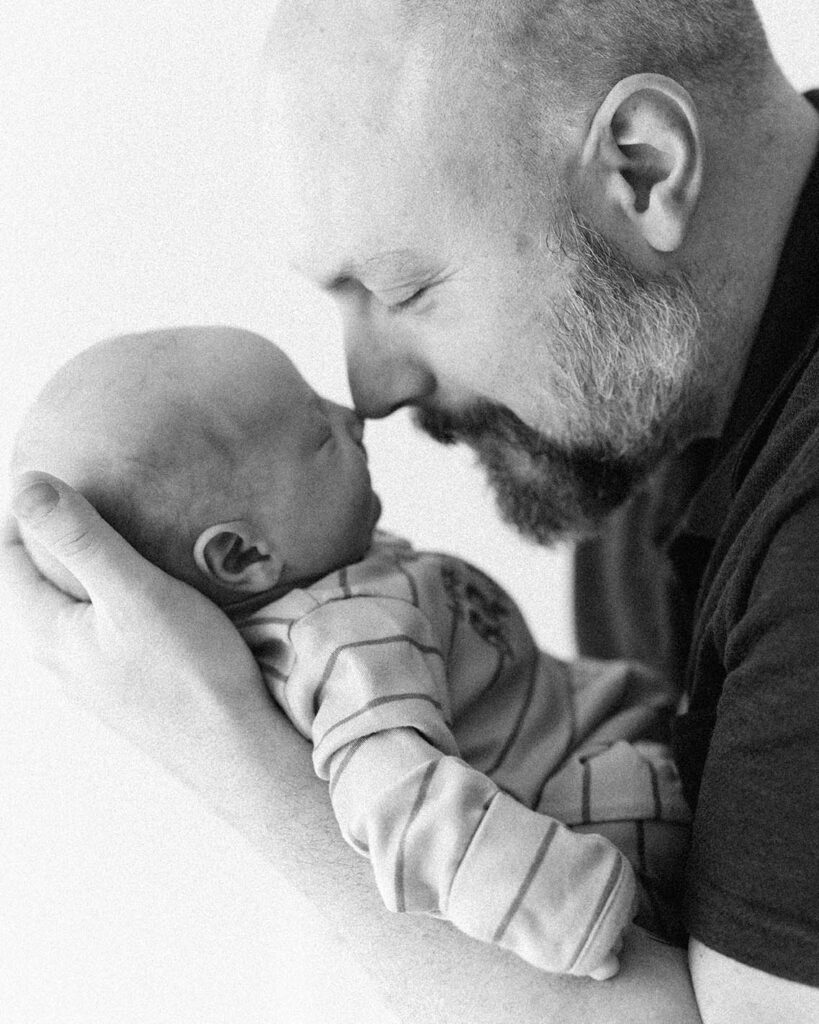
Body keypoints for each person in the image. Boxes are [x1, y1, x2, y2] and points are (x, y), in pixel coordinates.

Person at [3, 1, 818, 1021]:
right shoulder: (646, 414)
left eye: (405, 289)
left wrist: (236, 749)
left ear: (643, 170)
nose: (369, 389)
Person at [12, 325, 690, 979]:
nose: (353, 416)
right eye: (318, 434)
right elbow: (402, 803)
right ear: (242, 554)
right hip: (593, 812)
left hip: (607, 728)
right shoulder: (342, 645)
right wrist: (574, 916)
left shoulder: (337, 579)